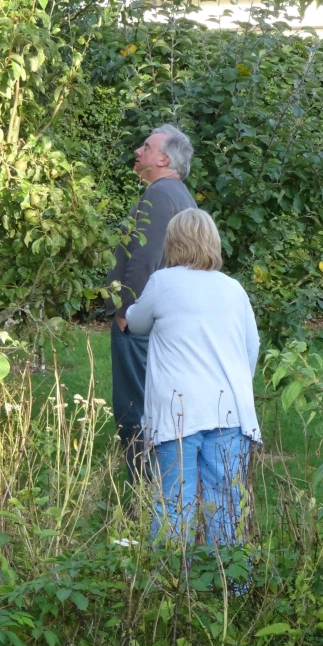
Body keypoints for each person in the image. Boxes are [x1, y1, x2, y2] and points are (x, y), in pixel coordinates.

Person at [125, 208, 261, 544]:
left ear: (171, 243)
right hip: (227, 412)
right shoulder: (234, 289)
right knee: (227, 502)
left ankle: (171, 583)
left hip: (178, 413)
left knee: (173, 500)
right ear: (213, 242)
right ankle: (232, 584)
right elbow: (252, 347)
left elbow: (137, 322)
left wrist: (127, 309)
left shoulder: (161, 283)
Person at [105, 125, 197, 483]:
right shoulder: (180, 195)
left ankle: (145, 494)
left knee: (135, 408)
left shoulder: (159, 195)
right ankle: (169, 489)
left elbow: (144, 258)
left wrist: (126, 311)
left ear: (164, 158)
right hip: (168, 316)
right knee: (162, 406)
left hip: (144, 322)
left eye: (146, 147)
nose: (137, 152)